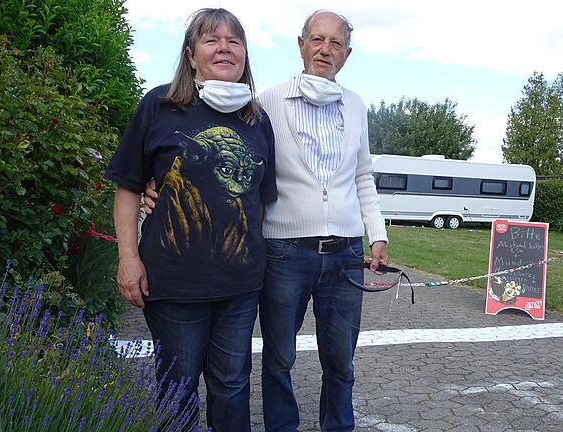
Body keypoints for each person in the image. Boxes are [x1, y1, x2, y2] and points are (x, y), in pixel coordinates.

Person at [144, 9, 387, 431]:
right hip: (285, 251)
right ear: (300, 45)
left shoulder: (356, 106)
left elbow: (362, 173)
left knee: (341, 360)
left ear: (346, 54)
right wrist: (163, 187)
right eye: (316, 39)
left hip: (346, 252)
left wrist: (376, 234)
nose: (324, 50)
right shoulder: (266, 101)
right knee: (278, 359)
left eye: (334, 43)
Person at [105, 8, 276, 431]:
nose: (224, 48)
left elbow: (261, 199)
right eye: (212, 40)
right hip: (175, 285)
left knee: (233, 385)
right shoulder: (160, 106)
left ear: (245, 56)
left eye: (234, 41)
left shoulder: (257, 119)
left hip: (239, 287)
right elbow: (128, 186)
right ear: (191, 55)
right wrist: (128, 258)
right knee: (177, 390)